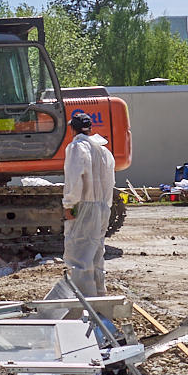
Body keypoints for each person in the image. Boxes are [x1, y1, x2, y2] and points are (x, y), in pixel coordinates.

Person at [62, 110, 116, 297]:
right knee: (96, 255)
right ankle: (99, 298)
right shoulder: (104, 150)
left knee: (80, 256)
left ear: (72, 130)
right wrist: (105, 206)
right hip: (102, 207)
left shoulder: (77, 148)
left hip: (85, 207)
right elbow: (110, 182)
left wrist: (69, 205)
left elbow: (75, 180)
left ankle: (83, 302)